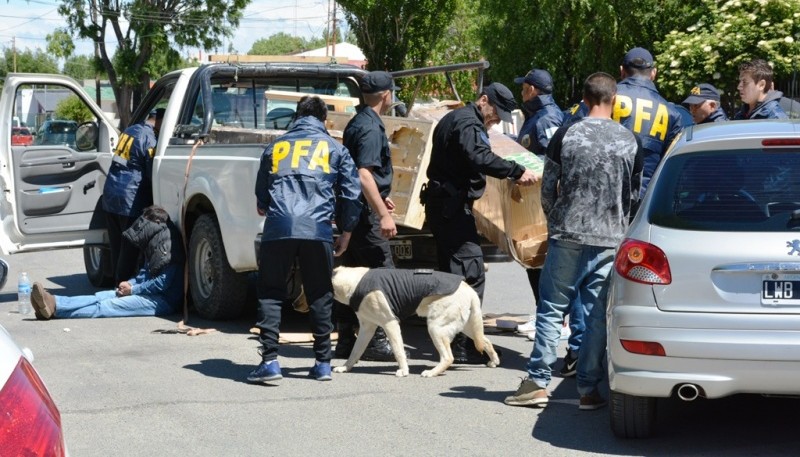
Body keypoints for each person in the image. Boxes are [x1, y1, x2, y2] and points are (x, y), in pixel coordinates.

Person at [504, 72, 643, 410]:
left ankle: (537, 381)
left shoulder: (567, 132)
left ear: (584, 98)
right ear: (613, 101)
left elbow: (548, 184)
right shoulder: (629, 140)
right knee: (597, 315)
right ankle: (588, 389)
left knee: (551, 308)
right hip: (609, 237)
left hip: (568, 232)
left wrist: (555, 221)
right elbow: (634, 196)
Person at [248, 96, 362, 383]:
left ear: (296, 116)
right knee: (320, 293)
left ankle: (270, 362)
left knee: (272, 292)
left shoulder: (275, 147)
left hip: (279, 228)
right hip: (317, 229)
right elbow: (351, 194)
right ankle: (323, 363)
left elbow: (261, 196)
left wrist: (267, 202)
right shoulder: (336, 148)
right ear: (324, 120)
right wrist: (346, 231)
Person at [423, 82, 538, 363]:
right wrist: (516, 171)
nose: (497, 119)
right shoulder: (467, 123)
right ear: (483, 100)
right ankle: (462, 345)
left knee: (451, 276)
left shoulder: (460, 119)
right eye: (496, 112)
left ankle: (448, 341)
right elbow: (479, 156)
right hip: (449, 208)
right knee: (470, 273)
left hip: (446, 206)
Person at [512, 68, 580, 378]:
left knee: (543, 261)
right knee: (534, 260)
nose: (521, 93)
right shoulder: (537, 115)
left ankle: (557, 319)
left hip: (544, 201)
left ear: (531, 89)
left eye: (523, 88)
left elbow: (557, 161)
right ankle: (544, 312)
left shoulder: (548, 118)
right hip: (534, 199)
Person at [334, 71, 401, 362]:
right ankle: (379, 341)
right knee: (384, 275)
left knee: (352, 277)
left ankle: (346, 341)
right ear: (386, 95)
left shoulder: (357, 122)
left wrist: (380, 197)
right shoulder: (372, 128)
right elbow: (363, 175)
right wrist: (383, 214)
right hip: (364, 215)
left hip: (352, 211)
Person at [29, 205, 184, 319]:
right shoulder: (156, 241)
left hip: (163, 301)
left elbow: (161, 284)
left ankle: (55, 310)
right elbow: (146, 271)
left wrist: (133, 290)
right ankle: (54, 301)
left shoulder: (170, 246)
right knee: (102, 296)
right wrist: (130, 283)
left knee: (107, 306)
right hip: (149, 293)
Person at [102, 108, 165, 284]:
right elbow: (153, 171)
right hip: (130, 199)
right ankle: (123, 287)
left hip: (111, 194)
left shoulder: (129, 130)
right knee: (129, 249)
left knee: (116, 247)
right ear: (159, 121)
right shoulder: (149, 138)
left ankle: (116, 284)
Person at [613, 47, 684, 196]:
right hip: (643, 199)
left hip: (603, 194)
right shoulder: (671, 112)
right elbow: (671, 162)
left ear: (622, 71)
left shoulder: (604, 97)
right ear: (653, 73)